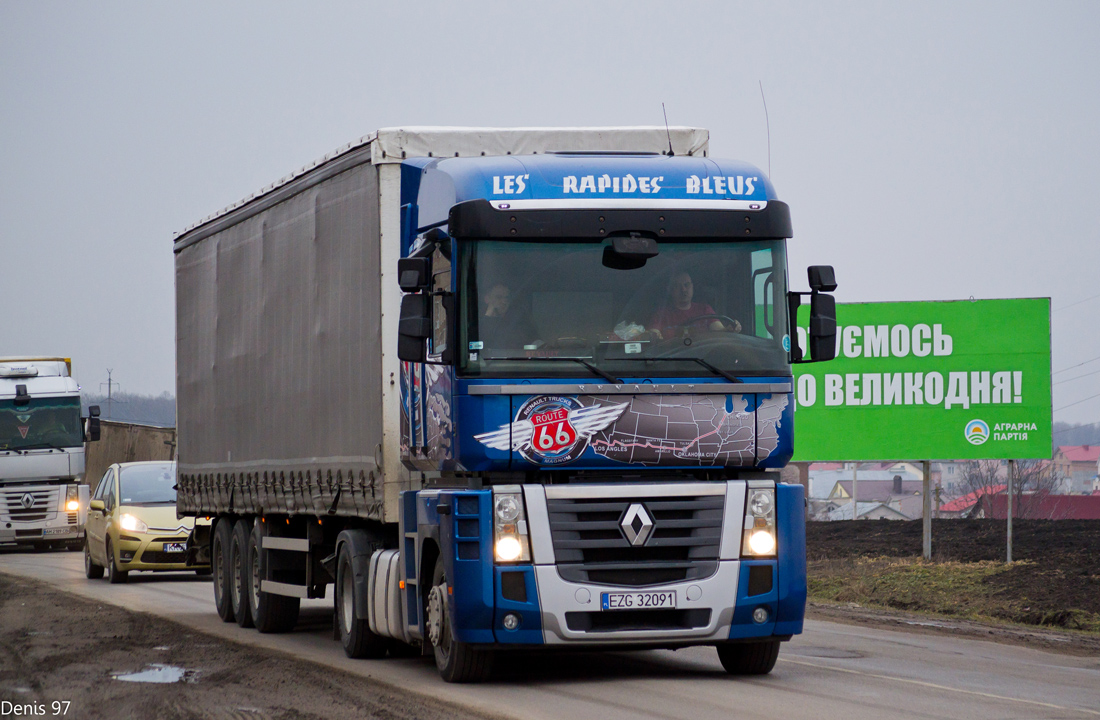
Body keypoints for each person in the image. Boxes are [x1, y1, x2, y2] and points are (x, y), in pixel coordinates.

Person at [648, 271, 741, 339]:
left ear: (692, 286)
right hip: (673, 360)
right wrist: (653, 335)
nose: (683, 290)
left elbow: (719, 330)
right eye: (677, 286)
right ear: (670, 290)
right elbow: (654, 334)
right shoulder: (662, 313)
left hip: (702, 360)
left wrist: (730, 329)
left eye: (686, 284)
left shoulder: (705, 309)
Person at [477, 282, 537, 349]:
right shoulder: (476, 319)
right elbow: (480, 343)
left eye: (507, 298)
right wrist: (488, 315)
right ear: (487, 299)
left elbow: (533, 340)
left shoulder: (518, 321)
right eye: (499, 297)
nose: (504, 301)